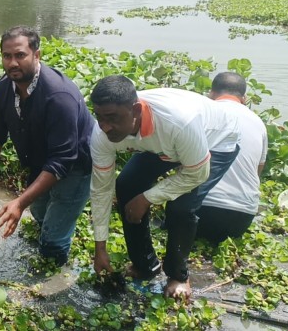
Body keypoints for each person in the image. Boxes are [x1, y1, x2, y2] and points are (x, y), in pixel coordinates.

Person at [89, 75, 240, 300]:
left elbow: (197, 173)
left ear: (137, 111)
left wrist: (148, 198)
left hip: (215, 141)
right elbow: (101, 189)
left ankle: (178, 275)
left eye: (112, 118)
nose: (105, 127)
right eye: (99, 117)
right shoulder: (103, 134)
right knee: (126, 185)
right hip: (163, 145)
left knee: (181, 206)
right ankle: (145, 265)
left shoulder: (179, 122)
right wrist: (100, 247)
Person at [0, 26, 94, 266]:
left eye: (20, 55)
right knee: (39, 213)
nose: (12, 63)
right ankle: (58, 225)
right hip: (41, 161)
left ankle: (54, 281)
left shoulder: (59, 97)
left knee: (52, 243)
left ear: (36, 55)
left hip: (76, 164)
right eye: (7, 56)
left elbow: (62, 161)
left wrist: (19, 202)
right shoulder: (4, 88)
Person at [197, 72, 267, 244]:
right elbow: (258, 170)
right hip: (242, 218)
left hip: (201, 211)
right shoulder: (259, 123)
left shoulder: (202, 112)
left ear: (211, 94)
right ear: (244, 98)